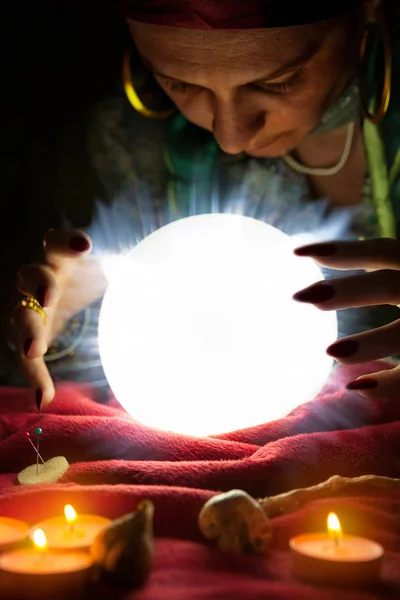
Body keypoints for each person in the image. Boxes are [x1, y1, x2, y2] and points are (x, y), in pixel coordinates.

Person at [4, 0, 400, 409]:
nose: (228, 134)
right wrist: (72, 326)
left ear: (370, 9)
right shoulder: (134, 144)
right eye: (179, 84)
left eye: (279, 81)